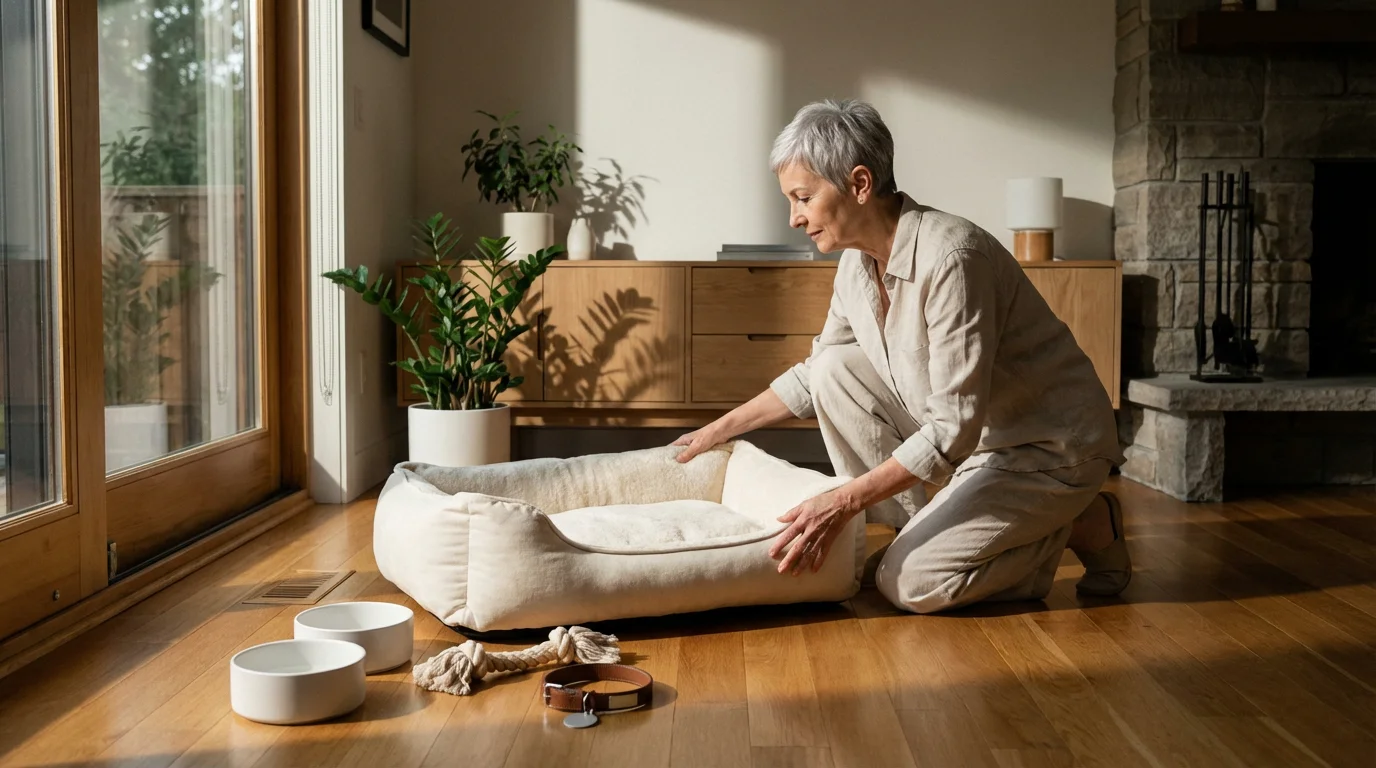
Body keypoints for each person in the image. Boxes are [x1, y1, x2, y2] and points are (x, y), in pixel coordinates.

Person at [671, 99, 1130, 613]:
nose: (795, 218)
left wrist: (841, 502)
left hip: (1045, 451)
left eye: (803, 198)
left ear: (860, 184)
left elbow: (954, 426)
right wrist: (716, 431)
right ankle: (933, 532)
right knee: (833, 370)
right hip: (974, 448)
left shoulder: (954, 257)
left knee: (909, 585)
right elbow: (812, 378)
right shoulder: (855, 264)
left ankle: (1080, 523)